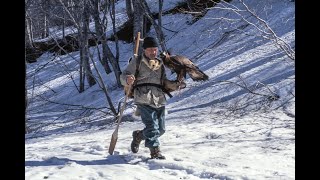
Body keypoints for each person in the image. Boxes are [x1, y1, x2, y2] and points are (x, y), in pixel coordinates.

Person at [120, 37, 168, 159]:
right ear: (145, 50)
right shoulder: (137, 61)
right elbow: (123, 76)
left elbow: (164, 82)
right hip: (143, 98)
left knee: (161, 130)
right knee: (152, 127)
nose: (153, 52)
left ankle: (139, 136)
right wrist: (127, 79)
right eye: (150, 50)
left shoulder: (160, 63)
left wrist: (176, 84)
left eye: (155, 50)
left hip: (159, 98)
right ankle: (155, 152)